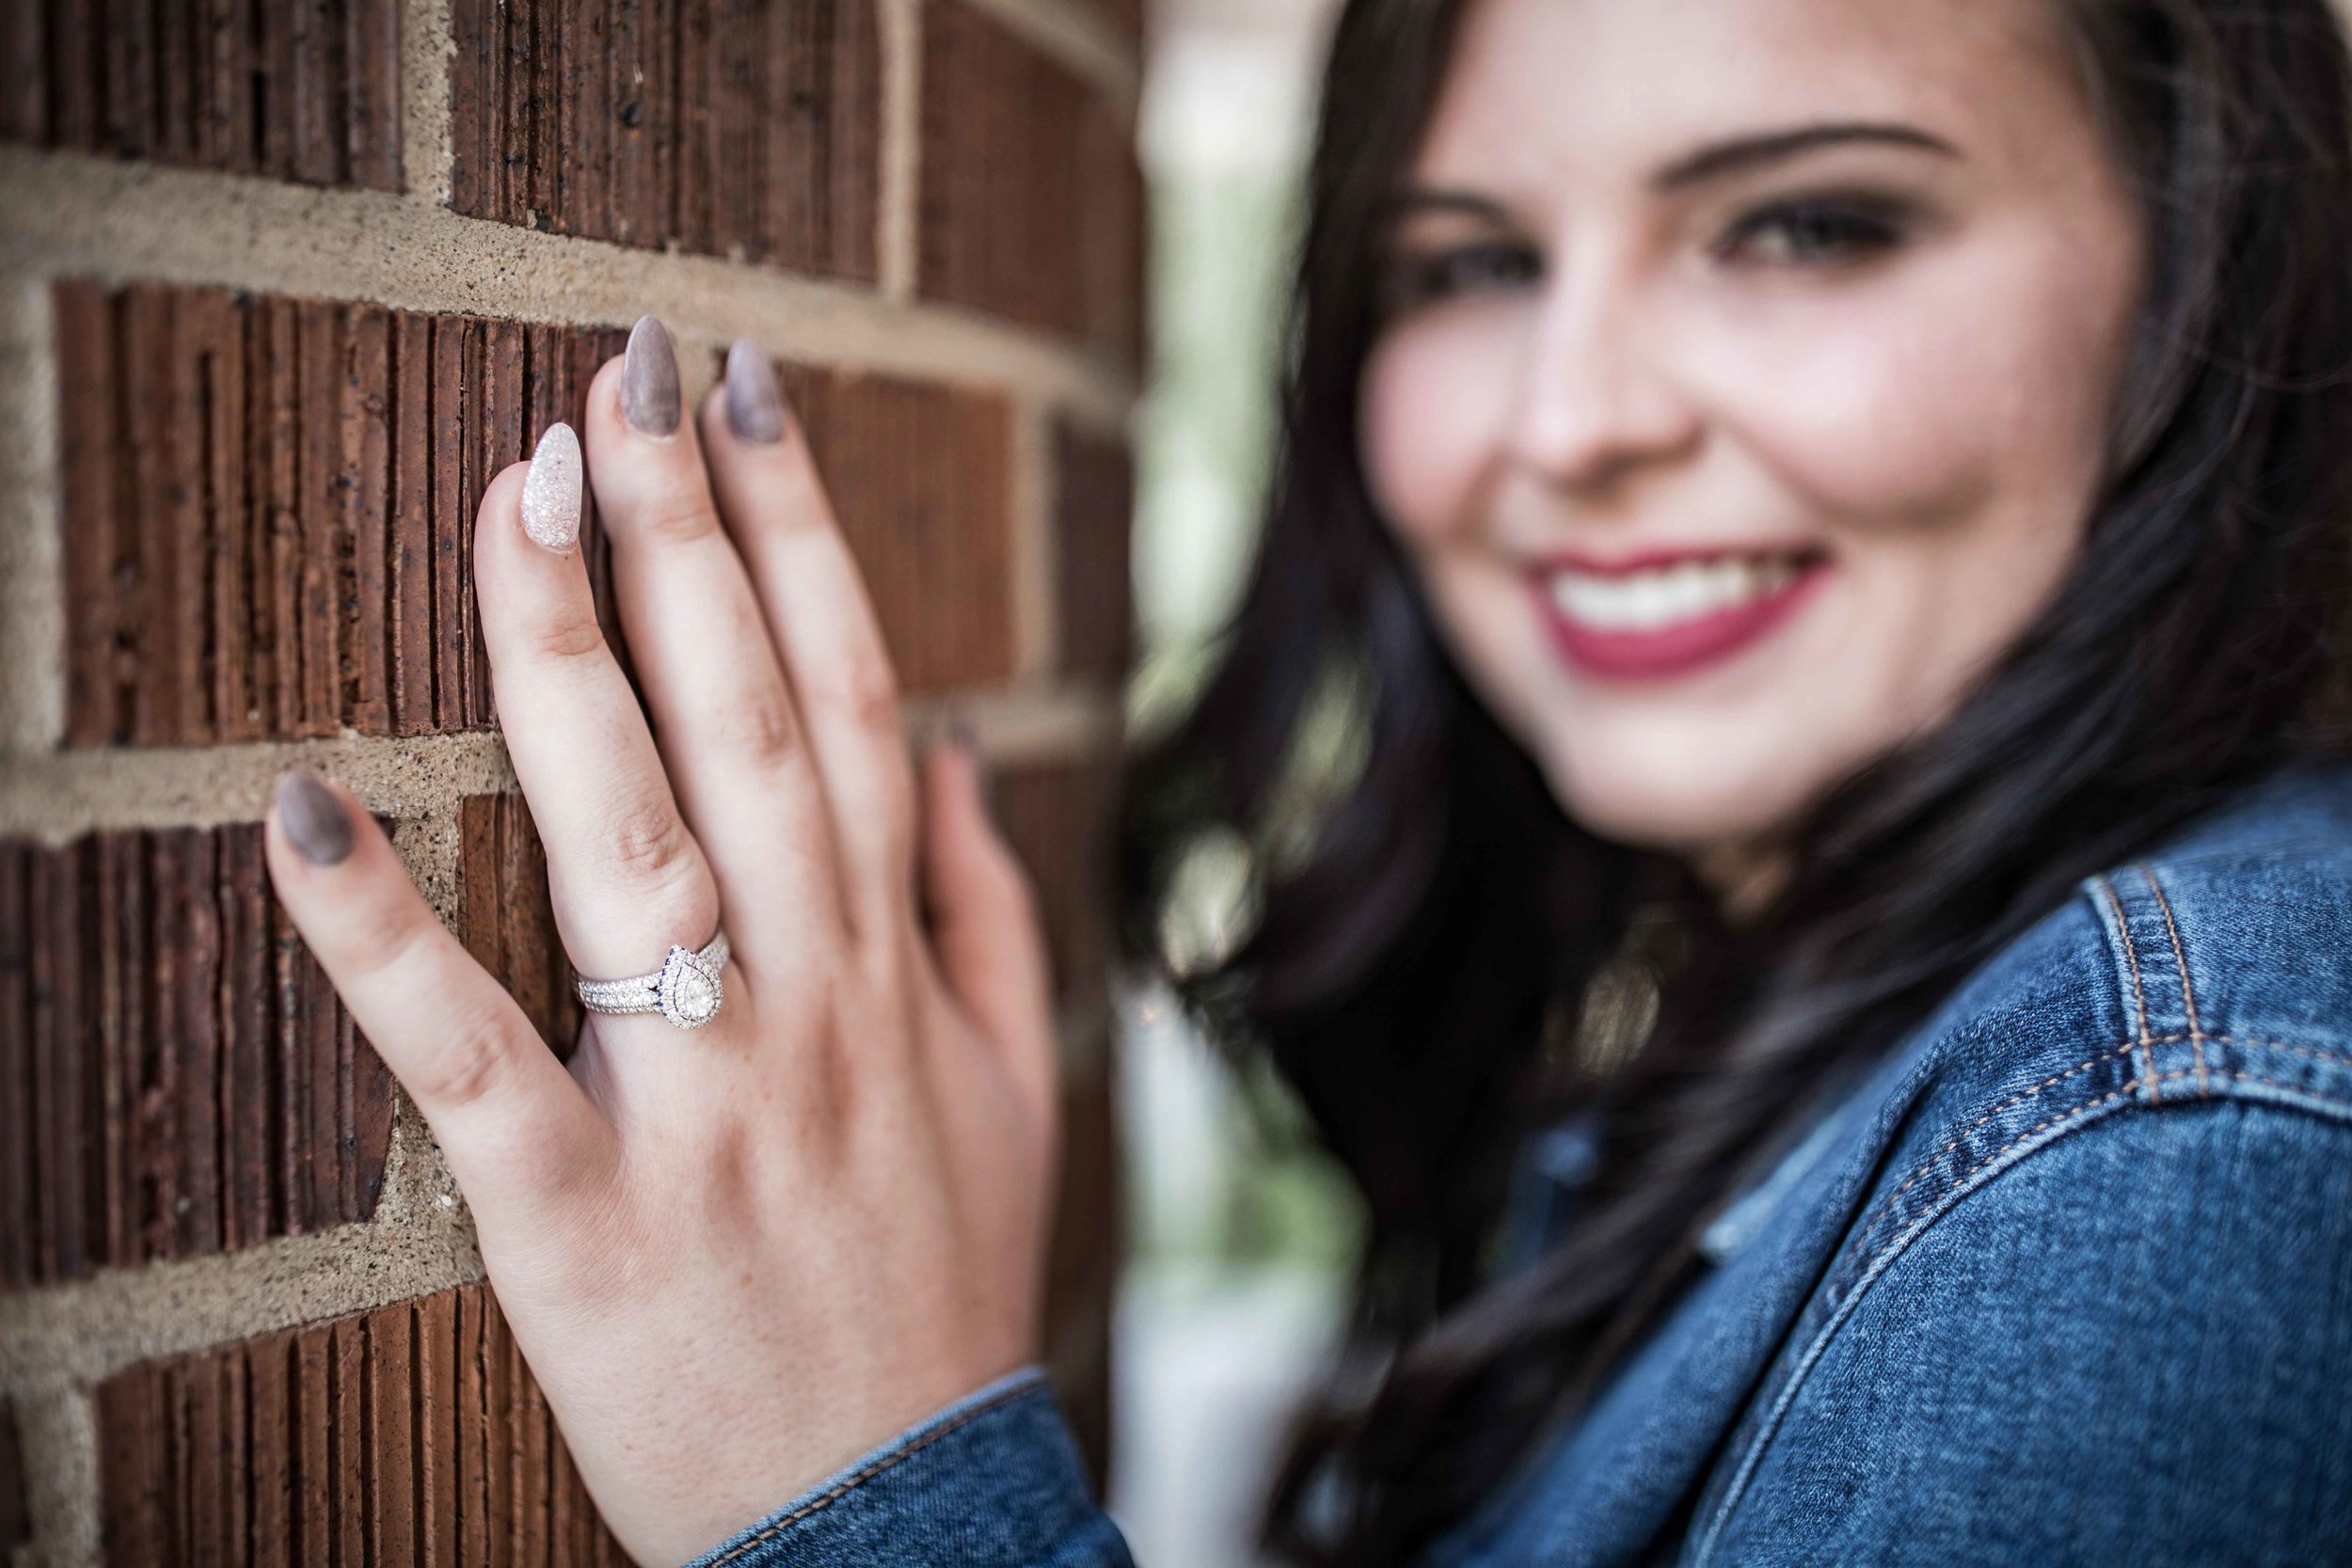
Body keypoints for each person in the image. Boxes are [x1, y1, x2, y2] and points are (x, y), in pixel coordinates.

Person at [261, 0, 2352, 1561]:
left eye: (1801, 225)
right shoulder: (1797, 1002)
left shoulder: (2185, 1127)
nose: (1570, 420)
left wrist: (869, 1482)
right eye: (1460, 264)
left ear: (2194, 268)